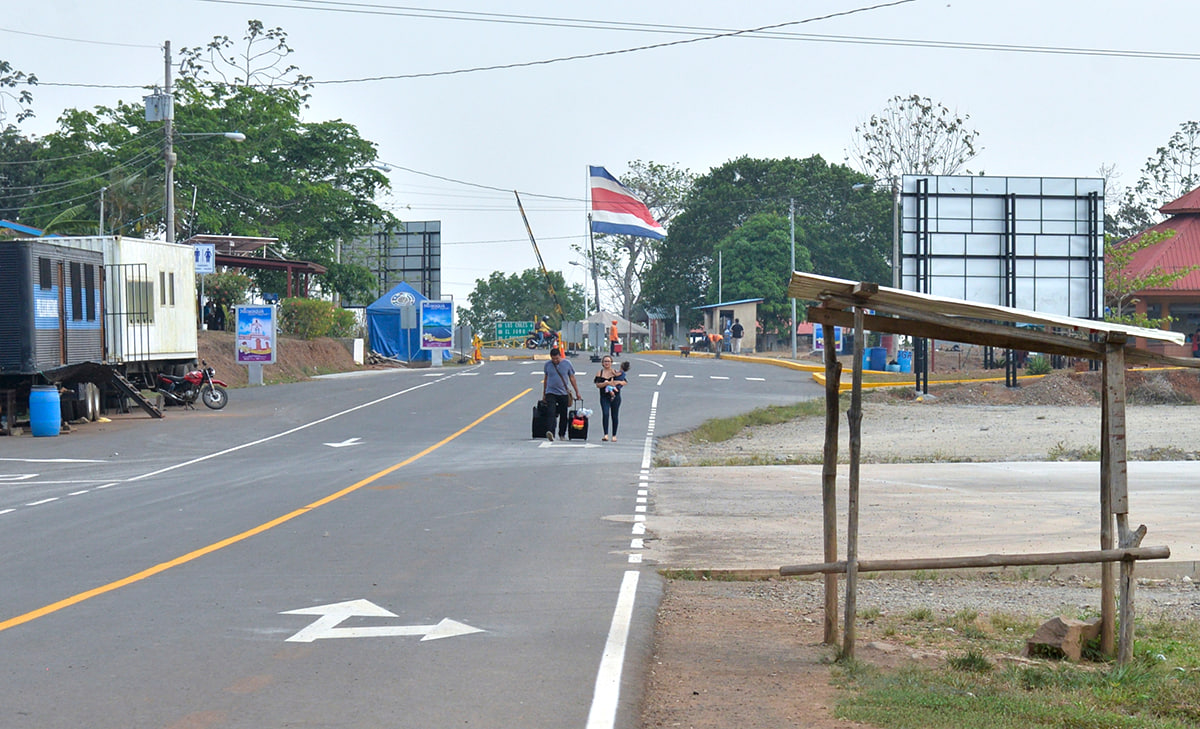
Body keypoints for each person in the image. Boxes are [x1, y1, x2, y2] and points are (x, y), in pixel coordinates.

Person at [542, 347, 582, 441]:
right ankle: (551, 432)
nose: (555, 360)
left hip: (563, 393)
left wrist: (577, 392)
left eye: (557, 358)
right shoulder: (547, 365)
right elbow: (546, 379)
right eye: (553, 359)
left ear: (560, 356)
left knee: (563, 414)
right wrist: (544, 393)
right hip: (550, 392)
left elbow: (572, 378)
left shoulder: (567, 364)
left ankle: (562, 434)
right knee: (551, 412)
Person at [593, 356, 629, 442]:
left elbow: (625, 382)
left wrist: (617, 382)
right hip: (604, 396)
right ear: (602, 363)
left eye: (608, 361)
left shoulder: (615, 372)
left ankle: (614, 435)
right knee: (605, 414)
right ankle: (605, 434)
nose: (607, 363)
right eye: (605, 361)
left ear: (611, 363)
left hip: (615, 396)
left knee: (615, 415)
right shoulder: (600, 373)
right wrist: (606, 384)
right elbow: (598, 385)